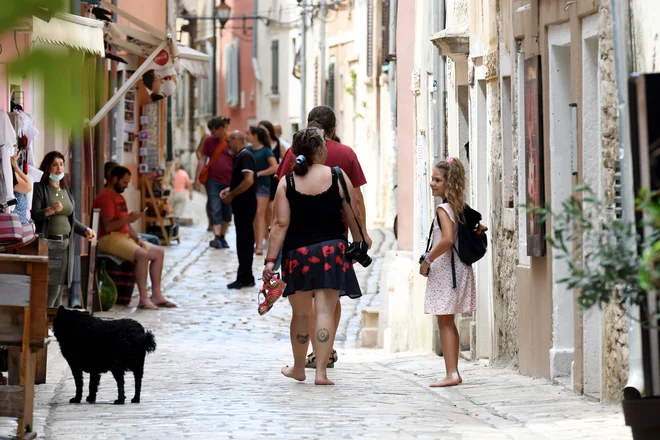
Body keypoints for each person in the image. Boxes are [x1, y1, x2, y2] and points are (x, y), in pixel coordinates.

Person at [263, 125, 363, 385]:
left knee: (300, 314)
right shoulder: (338, 177)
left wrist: (270, 261)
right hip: (332, 252)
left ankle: (298, 368)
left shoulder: (288, 181)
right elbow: (353, 215)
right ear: (320, 150)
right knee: (325, 312)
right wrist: (360, 242)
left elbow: (280, 225)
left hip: (298, 255)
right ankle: (320, 372)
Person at [419, 158, 476, 387]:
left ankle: (452, 373)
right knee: (448, 321)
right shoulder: (456, 206)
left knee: (444, 322)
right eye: (432, 179)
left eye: (437, 180)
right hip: (456, 269)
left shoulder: (443, 208)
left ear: (448, 183)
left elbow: (447, 239)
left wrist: (427, 259)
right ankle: (452, 372)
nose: (432, 183)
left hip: (446, 270)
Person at [93, 166, 176, 310]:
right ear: (115, 179)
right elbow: (108, 227)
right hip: (108, 238)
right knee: (142, 255)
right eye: (124, 183)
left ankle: (156, 295)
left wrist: (137, 238)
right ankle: (143, 298)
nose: (126, 186)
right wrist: (128, 219)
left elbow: (126, 226)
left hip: (122, 236)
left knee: (158, 252)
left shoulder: (120, 197)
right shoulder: (106, 196)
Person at [32, 151, 95, 307]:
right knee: (53, 286)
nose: (59, 168)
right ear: (48, 168)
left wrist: (85, 230)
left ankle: (54, 324)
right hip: (51, 242)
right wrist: (50, 210)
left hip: (67, 243)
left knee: (61, 287)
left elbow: (70, 219)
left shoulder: (66, 189)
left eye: (61, 164)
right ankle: (44, 323)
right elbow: (34, 214)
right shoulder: (41, 188)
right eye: (55, 165)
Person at [220, 131, 257, 289]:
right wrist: (230, 189)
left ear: (237, 140)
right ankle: (246, 275)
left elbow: (249, 180)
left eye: (229, 141)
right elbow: (241, 180)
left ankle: (244, 277)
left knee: (245, 242)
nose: (227, 144)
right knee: (243, 241)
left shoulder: (245, 156)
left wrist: (232, 195)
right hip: (242, 205)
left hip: (245, 205)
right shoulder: (240, 156)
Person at [196, 117, 233, 249]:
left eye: (214, 131)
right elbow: (202, 159)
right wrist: (197, 178)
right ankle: (217, 237)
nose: (212, 134)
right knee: (214, 207)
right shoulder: (208, 141)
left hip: (229, 181)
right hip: (213, 180)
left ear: (222, 128)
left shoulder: (232, 139)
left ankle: (222, 237)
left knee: (227, 211)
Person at [246, 126, 278, 255]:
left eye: (248, 133)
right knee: (253, 215)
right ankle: (256, 242)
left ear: (255, 135)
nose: (246, 135)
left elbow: (275, 167)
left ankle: (259, 246)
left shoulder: (266, 151)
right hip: (249, 186)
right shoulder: (247, 150)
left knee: (260, 214)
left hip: (263, 185)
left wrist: (259, 173)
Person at [259, 120, 287, 239]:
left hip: (274, 179)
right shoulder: (259, 145)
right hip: (262, 180)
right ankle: (265, 236)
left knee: (272, 208)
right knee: (262, 210)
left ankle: (271, 235)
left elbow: (286, 162)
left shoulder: (278, 144)